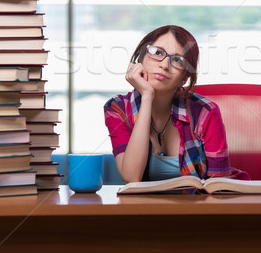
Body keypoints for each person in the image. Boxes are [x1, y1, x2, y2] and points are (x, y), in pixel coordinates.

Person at [104, 25, 248, 183]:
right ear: (140, 60)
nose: (164, 65)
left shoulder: (206, 111)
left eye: (178, 60)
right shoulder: (116, 108)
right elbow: (132, 177)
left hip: (199, 205)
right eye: (157, 53)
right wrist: (146, 96)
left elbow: (220, 185)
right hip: (145, 207)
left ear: (184, 78)